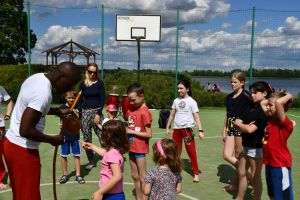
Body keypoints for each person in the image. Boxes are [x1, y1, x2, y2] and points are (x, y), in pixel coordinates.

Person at [3, 61, 81, 200]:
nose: (70, 88)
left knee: (20, 194)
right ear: (61, 77)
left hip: (11, 144)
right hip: (23, 150)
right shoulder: (43, 92)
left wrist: (56, 111)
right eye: (70, 84)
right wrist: (52, 139)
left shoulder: (37, 77)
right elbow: (25, 130)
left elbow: (33, 108)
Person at [234, 81, 272, 200]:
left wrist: (241, 125)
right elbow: (240, 122)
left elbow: (250, 129)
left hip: (256, 148)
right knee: (242, 173)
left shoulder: (265, 111)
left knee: (256, 178)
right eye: (251, 92)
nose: (252, 95)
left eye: (255, 92)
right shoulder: (252, 106)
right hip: (246, 146)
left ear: (265, 93)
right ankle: (239, 198)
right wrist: (242, 125)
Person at [166, 79, 204, 182]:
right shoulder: (176, 101)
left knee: (191, 151)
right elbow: (172, 114)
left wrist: (201, 130)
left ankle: (196, 173)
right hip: (177, 130)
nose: (179, 90)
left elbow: (196, 116)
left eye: (181, 88)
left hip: (187, 130)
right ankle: (174, 171)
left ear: (187, 89)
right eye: (178, 88)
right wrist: (168, 126)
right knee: (176, 151)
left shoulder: (192, 102)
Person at [81, 120, 130, 200]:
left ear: (109, 136)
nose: (101, 135)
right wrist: (92, 146)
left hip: (112, 196)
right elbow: (105, 153)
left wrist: (100, 192)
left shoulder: (112, 154)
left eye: (103, 133)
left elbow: (117, 176)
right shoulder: (114, 150)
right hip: (112, 193)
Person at [221, 71, 252, 192]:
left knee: (239, 156)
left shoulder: (247, 96)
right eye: (231, 82)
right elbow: (227, 115)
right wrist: (224, 130)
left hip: (241, 127)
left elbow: (253, 112)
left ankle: (235, 184)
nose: (232, 84)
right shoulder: (229, 97)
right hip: (230, 126)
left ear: (242, 83)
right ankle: (250, 177)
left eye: (235, 82)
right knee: (227, 155)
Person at [261, 92, 294, 200]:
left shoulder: (284, 123)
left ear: (281, 106)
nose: (267, 107)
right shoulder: (271, 119)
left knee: (283, 197)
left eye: (270, 105)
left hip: (280, 165)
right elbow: (262, 103)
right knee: (272, 194)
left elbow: (278, 103)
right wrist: (271, 100)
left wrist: (289, 96)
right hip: (269, 164)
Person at [126, 83, 152, 200]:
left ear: (141, 96)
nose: (131, 103)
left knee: (143, 177)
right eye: (129, 100)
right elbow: (130, 122)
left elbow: (148, 134)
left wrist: (131, 132)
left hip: (140, 149)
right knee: (134, 176)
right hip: (130, 147)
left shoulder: (144, 112)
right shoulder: (132, 108)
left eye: (133, 100)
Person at [78, 62, 106, 170]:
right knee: (86, 139)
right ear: (87, 72)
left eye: (94, 72)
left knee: (103, 137)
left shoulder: (100, 83)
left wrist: (98, 114)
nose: (92, 74)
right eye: (90, 72)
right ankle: (91, 160)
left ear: (97, 72)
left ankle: (106, 158)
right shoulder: (83, 84)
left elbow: (102, 99)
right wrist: (80, 114)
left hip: (96, 113)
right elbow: (79, 100)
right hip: (85, 113)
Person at [58, 90, 85, 184]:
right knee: (64, 156)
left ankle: (78, 175)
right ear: (65, 98)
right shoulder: (62, 107)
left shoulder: (77, 108)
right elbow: (61, 118)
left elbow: (78, 119)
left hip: (75, 136)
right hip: (65, 135)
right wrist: (64, 118)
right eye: (69, 97)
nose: (71, 99)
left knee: (76, 155)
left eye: (73, 97)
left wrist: (73, 113)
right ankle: (65, 175)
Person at [0, 85, 14, 190]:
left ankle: (1, 179)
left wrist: (8, 115)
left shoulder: (1, 88)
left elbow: (9, 101)